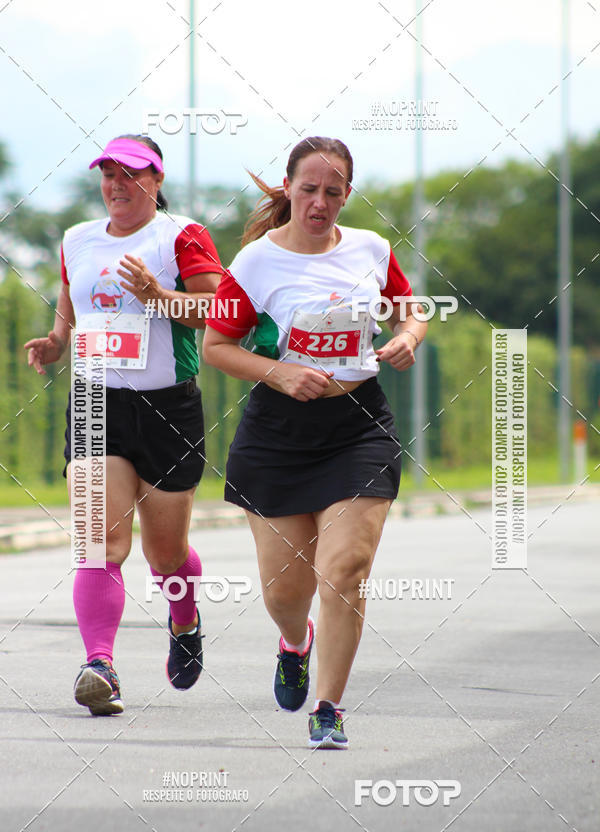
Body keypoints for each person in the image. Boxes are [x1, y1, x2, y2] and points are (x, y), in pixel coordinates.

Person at [202, 136, 427, 748]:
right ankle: (293, 641)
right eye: (309, 189)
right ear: (288, 189)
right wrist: (280, 372)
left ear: (347, 195)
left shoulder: (371, 249)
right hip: (277, 433)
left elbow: (412, 308)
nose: (320, 202)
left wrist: (409, 335)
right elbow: (215, 347)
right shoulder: (254, 263)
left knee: (345, 572)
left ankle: (328, 709)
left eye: (333, 191)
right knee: (285, 591)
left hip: (358, 427)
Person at [25, 135, 222, 715]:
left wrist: (160, 296)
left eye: (131, 174)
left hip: (167, 407)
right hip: (94, 400)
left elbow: (218, 307)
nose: (116, 184)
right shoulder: (76, 239)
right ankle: (100, 666)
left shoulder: (180, 235)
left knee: (166, 557)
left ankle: (183, 619)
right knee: (99, 543)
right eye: (107, 173)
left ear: (156, 181)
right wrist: (59, 340)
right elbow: (72, 296)